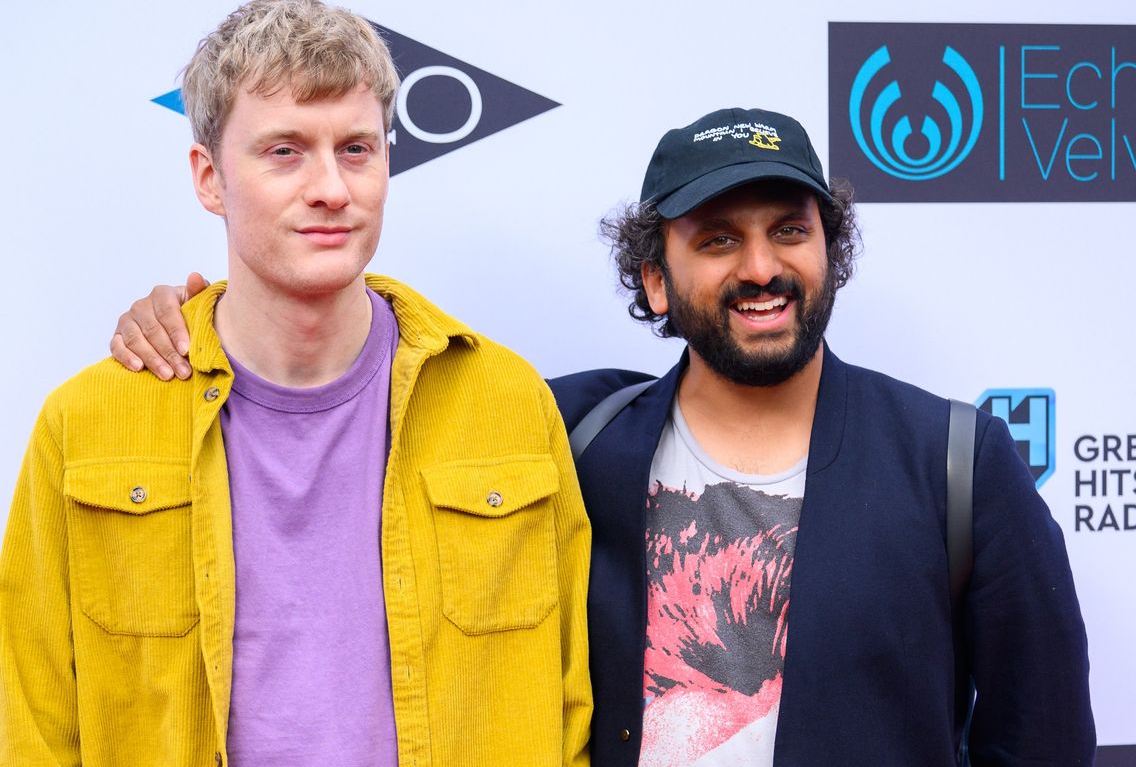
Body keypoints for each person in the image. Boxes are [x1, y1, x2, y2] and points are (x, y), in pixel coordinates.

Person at [111, 107, 1095, 766]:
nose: (761, 266)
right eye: (716, 239)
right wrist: (193, 318)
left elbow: (1040, 738)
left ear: (828, 253)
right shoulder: (566, 436)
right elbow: (339, 385)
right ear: (656, 279)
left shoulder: (958, 463)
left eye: (790, 230)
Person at [0, 0, 591, 767]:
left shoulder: (504, 401)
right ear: (210, 179)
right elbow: (37, 725)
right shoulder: (88, 422)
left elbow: (570, 706)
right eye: (284, 151)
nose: (331, 189)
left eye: (356, 149)